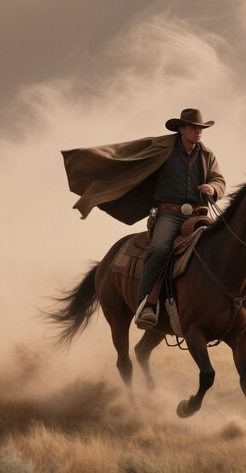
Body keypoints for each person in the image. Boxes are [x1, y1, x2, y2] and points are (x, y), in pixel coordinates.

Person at [62, 108, 226, 329]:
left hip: (198, 214)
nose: (199, 132)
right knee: (159, 249)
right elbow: (127, 157)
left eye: (201, 128)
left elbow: (219, 179)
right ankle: (145, 304)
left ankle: (233, 306)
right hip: (169, 214)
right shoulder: (162, 149)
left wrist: (213, 188)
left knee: (224, 246)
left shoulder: (208, 155)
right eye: (194, 127)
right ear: (182, 129)